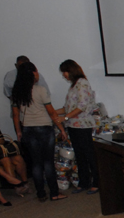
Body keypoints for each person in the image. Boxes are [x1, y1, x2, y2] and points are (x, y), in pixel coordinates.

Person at [11, 61, 68, 202]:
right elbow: (51, 112)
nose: (37, 74)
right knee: (48, 162)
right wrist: (61, 128)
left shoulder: (16, 92)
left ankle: (41, 194)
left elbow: (16, 115)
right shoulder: (40, 90)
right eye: (36, 71)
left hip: (28, 129)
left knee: (36, 163)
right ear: (32, 73)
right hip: (44, 128)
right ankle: (54, 193)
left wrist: (18, 131)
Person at [57, 59, 99, 194]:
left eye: (64, 72)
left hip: (83, 125)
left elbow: (81, 106)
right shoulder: (73, 85)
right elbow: (68, 107)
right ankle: (83, 182)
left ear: (70, 70)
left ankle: (97, 183)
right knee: (79, 155)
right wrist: (52, 112)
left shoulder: (82, 83)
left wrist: (65, 117)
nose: (64, 75)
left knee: (89, 155)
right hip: (73, 125)